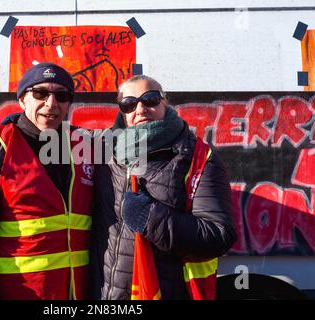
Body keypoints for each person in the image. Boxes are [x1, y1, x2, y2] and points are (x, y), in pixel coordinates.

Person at [0, 62, 94, 300]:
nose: (51, 103)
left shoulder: (87, 149)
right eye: (40, 93)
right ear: (22, 100)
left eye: (61, 95)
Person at [90, 75, 236, 300]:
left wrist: (150, 218)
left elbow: (219, 235)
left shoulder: (198, 157)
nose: (140, 109)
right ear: (122, 111)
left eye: (150, 99)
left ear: (164, 102)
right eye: (129, 104)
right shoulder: (102, 150)